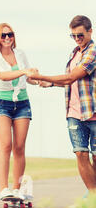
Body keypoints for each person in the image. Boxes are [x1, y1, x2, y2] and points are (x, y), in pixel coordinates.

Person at [28, 15, 96, 195]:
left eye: (80, 35)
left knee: (95, 158)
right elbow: (69, 82)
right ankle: (93, 196)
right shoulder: (74, 53)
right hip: (74, 112)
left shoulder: (93, 52)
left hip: (93, 112)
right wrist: (48, 83)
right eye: (73, 36)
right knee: (80, 154)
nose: (76, 39)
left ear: (90, 31)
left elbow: (72, 77)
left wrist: (40, 76)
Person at [0, 23, 39, 201]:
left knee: (19, 147)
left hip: (22, 103)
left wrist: (40, 80)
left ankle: (16, 189)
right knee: (6, 145)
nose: (7, 38)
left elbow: (28, 78)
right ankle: (4, 189)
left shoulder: (20, 54)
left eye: (10, 34)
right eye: (3, 36)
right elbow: (3, 75)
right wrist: (24, 71)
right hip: (2, 103)